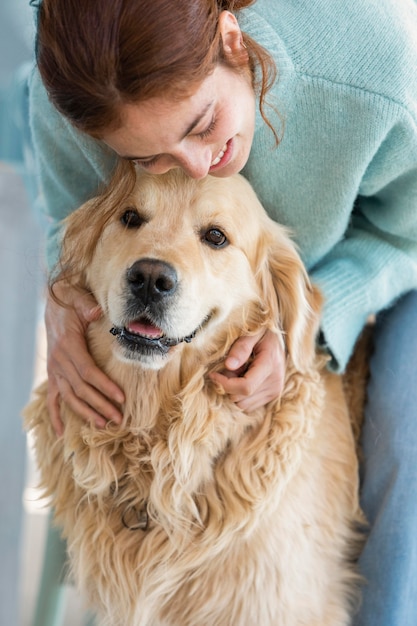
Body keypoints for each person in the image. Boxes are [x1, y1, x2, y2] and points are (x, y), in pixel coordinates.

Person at [28, 0, 417, 624]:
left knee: (407, 450)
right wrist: (60, 304)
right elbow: (72, 228)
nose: (193, 165)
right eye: (146, 159)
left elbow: (410, 235)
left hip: (375, 263)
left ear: (233, 42)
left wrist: (303, 326)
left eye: (203, 123)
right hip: (215, 301)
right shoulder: (71, 97)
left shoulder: (375, 74)